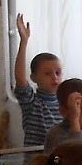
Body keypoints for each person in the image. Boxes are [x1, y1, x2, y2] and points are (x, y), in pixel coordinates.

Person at [12, 13, 64, 147]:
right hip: (36, 158)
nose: (54, 77)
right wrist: (24, 41)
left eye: (58, 73)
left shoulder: (65, 103)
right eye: (47, 73)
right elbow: (20, 78)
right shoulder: (31, 102)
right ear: (33, 78)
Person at [43, 78, 82, 151]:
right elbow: (77, 154)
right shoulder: (56, 134)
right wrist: (75, 122)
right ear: (63, 112)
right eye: (80, 108)